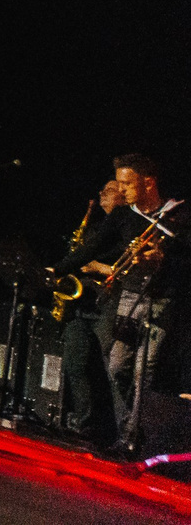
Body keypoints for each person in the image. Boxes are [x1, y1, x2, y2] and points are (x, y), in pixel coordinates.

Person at [58, 153, 183, 446]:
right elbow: (93, 246)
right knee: (116, 366)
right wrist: (59, 268)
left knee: (144, 372)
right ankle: (131, 423)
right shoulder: (124, 216)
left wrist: (163, 256)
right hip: (130, 297)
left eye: (127, 184)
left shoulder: (177, 216)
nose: (122, 190)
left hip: (163, 301)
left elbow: (184, 257)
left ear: (149, 183)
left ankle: (132, 437)